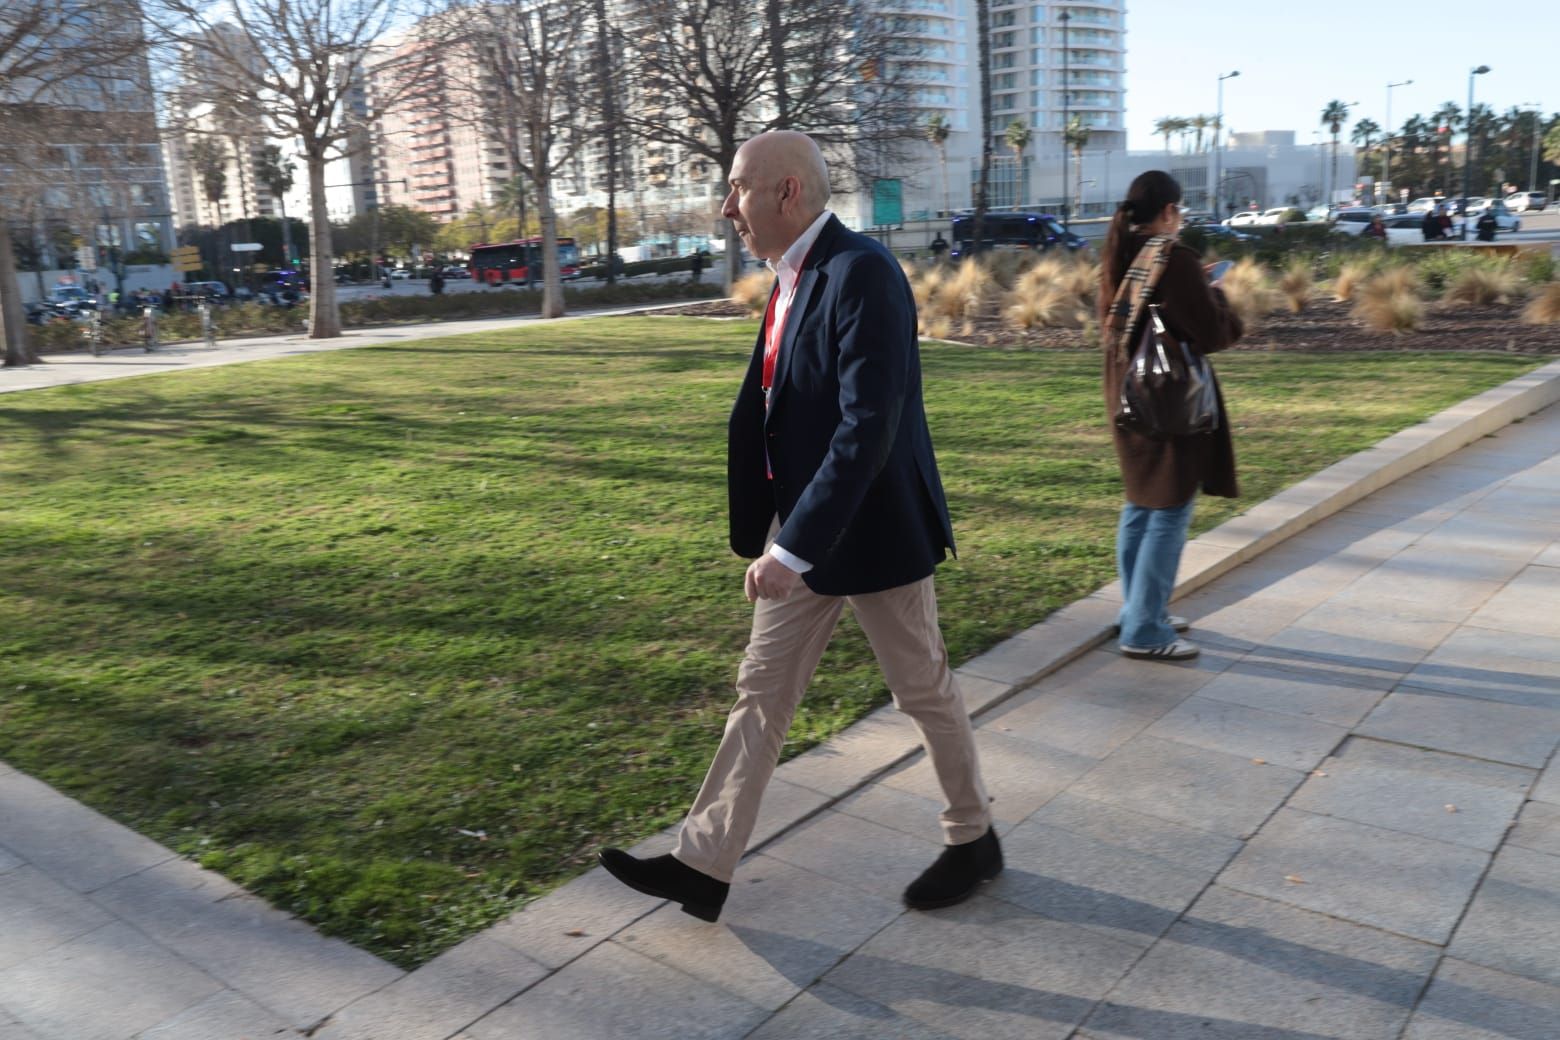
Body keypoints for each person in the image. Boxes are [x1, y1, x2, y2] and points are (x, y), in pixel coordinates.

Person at [598, 130, 998, 922]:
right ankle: (702, 866)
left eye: (738, 187)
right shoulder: (791, 275)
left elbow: (868, 427)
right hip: (803, 528)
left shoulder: (863, 273)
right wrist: (782, 527)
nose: (727, 207)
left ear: (787, 192)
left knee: (921, 688)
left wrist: (793, 546)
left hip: (871, 532)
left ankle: (973, 836)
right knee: (761, 693)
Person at [1099, 171, 1244, 662]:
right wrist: (1217, 294)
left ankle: (1139, 608)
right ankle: (1144, 628)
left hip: (1127, 397)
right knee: (1169, 510)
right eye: (1178, 211)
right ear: (1167, 212)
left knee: (1141, 505)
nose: (1180, 220)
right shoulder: (1174, 260)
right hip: (1169, 405)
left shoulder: (1119, 255)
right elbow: (1215, 332)